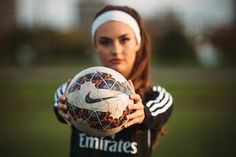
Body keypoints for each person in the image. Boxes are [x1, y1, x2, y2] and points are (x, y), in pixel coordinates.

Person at [53, 5, 173, 157]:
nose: (115, 50)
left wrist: (144, 113)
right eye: (105, 42)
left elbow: (164, 106)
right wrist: (62, 107)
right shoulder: (76, 90)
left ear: (138, 43)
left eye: (124, 40)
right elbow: (59, 96)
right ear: (95, 47)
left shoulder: (155, 97)